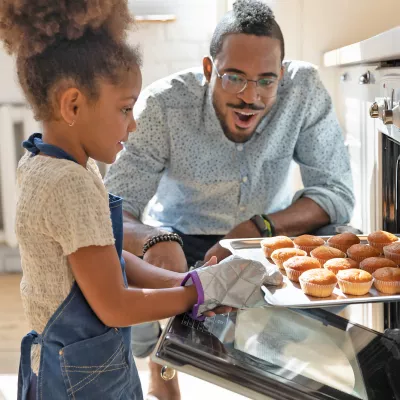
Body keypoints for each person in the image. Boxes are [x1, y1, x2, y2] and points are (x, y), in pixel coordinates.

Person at [0, 1, 271, 399]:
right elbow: (113, 304)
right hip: (82, 380)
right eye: (125, 108)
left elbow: (103, 255)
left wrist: (186, 281)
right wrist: (198, 295)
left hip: (84, 361)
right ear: (72, 104)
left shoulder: (53, 163)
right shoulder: (69, 184)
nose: (134, 122)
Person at [104, 0, 355, 397]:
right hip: (179, 240)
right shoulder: (163, 105)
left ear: (283, 75)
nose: (250, 97)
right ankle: (159, 356)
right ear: (209, 70)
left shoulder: (302, 89)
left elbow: (336, 192)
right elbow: (114, 207)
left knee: (342, 236)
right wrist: (155, 239)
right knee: (114, 256)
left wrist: (259, 227)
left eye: (266, 81)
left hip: (263, 239)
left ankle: (270, 350)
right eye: (235, 78)